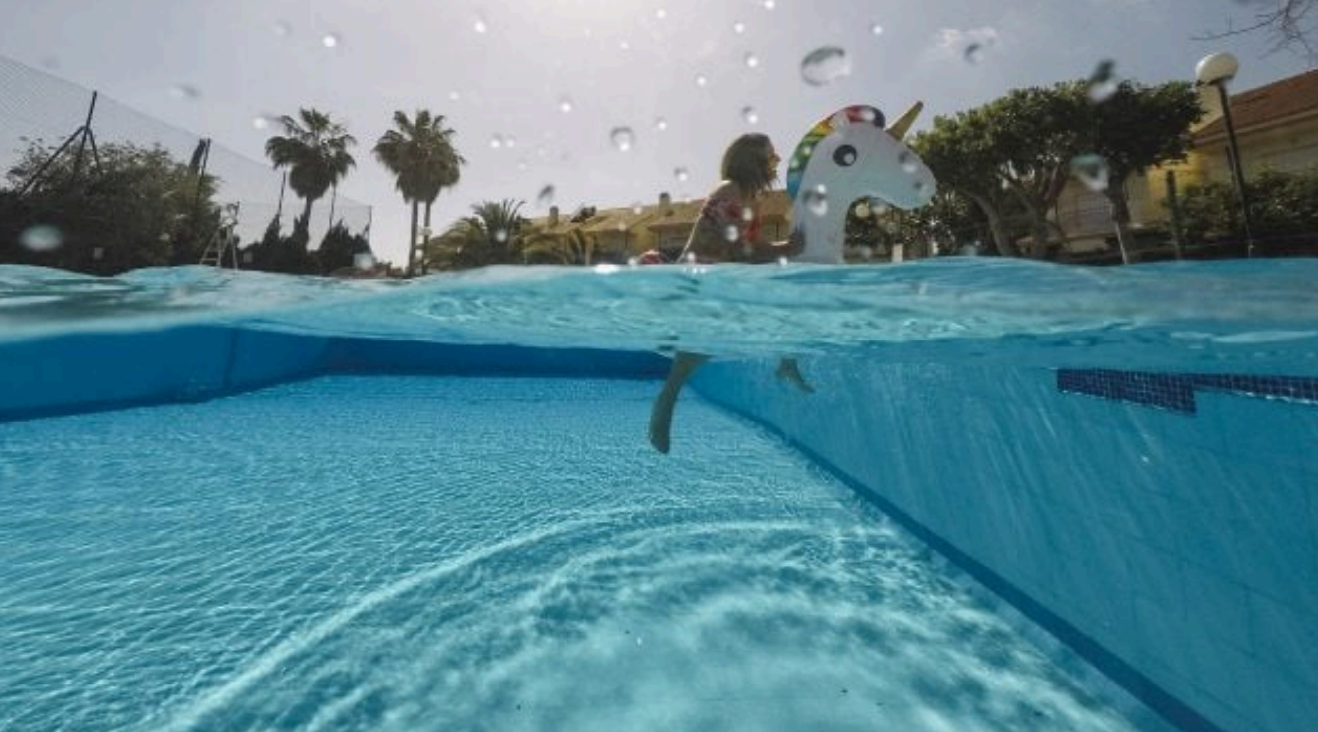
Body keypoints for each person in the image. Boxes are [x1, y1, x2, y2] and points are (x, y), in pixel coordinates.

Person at [648, 133, 811, 454]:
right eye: (771, 157)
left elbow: (750, 248)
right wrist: (787, 249)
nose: (776, 162)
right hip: (696, 280)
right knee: (703, 345)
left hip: (721, 280)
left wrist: (784, 249)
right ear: (752, 162)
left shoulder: (753, 199)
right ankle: (665, 400)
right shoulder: (729, 191)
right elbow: (741, 247)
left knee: (787, 303)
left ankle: (787, 363)